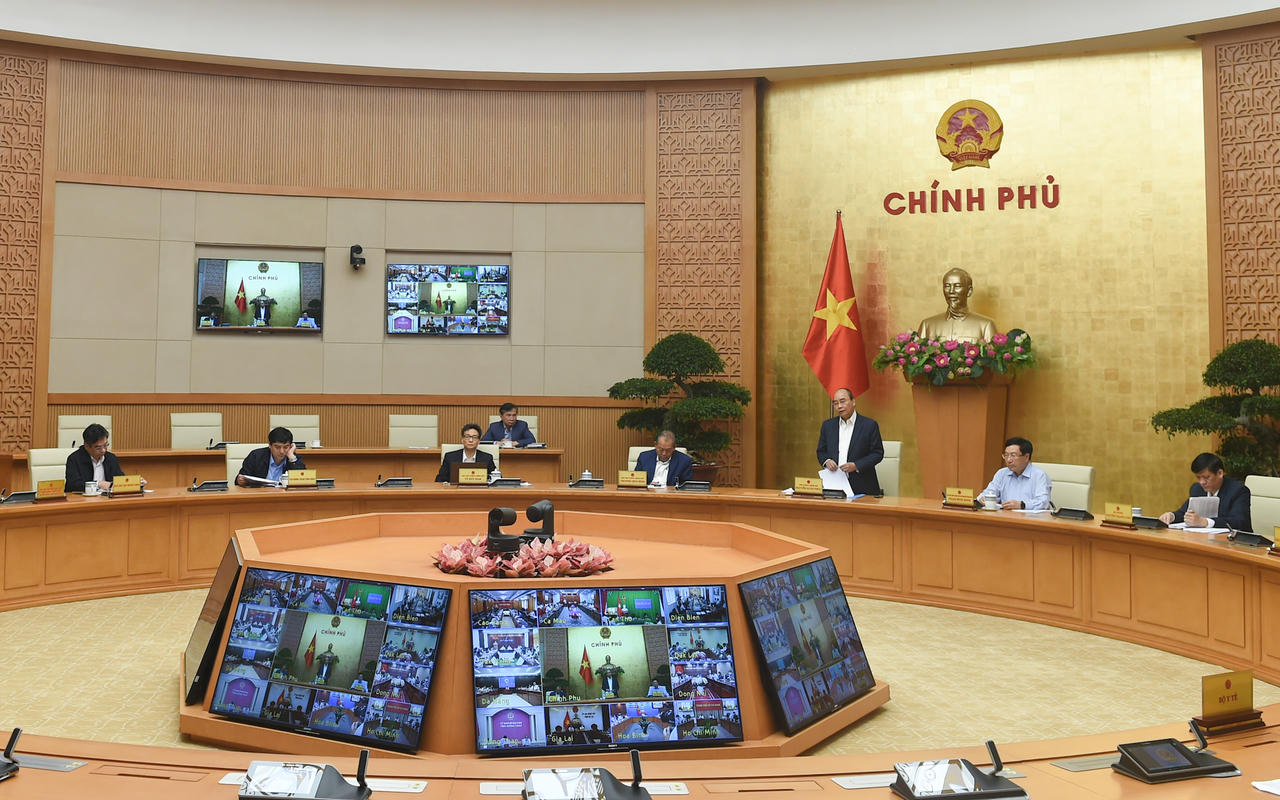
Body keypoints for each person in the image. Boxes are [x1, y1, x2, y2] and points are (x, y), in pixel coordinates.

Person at [816, 388, 884, 496]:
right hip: (835, 486)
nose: (839, 406)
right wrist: (827, 461)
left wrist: (856, 465)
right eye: (835, 403)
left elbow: (877, 453)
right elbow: (821, 451)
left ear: (853, 402)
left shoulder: (869, 425)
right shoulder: (828, 426)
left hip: (863, 487)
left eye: (843, 401)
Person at [1158, 452, 1252, 531]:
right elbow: (1185, 513)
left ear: (1220, 473)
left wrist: (1205, 522)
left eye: (1206, 477)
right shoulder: (1197, 489)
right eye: (1198, 477)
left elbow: (1239, 521)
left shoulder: (1238, 491)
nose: (1202, 482)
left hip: (1235, 542)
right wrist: (1172, 516)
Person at [917, 267, 997, 343]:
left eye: (957, 286)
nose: (951, 291)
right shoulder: (927, 325)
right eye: (947, 286)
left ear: (969, 291)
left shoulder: (986, 326)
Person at [64, 423, 141, 492]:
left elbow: (119, 479)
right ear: (87, 446)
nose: (103, 450)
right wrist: (98, 484)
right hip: (83, 500)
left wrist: (136, 483)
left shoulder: (111, 458)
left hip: (106, 499)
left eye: (105, 445)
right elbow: (73, 485)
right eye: (98, 448)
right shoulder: (74, 459)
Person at [981, 437, 1052, 510]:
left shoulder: (1039, 475)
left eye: (1013, 455)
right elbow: (989, 492)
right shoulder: (1002, 473)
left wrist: (1022, 505)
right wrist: (983, 499)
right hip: (1005, 515)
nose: (1009, 460)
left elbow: (1044, 503)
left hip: (1029, 516)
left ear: (1026, 457)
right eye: (1006, 455)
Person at [236, 427, 306, 486]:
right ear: (270, 445)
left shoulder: (293, 459)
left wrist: (291, 457)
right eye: (277, 447)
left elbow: (304, 481)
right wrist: (240, 481)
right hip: (260, 495)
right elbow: (239, 479)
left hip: (284, 496)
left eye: (286, 447)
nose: (282, 451)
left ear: (291, 446)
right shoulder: (256, 456)